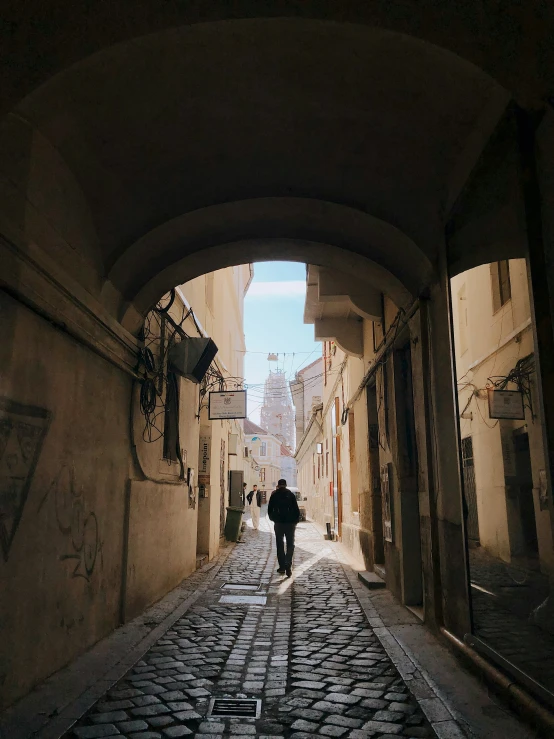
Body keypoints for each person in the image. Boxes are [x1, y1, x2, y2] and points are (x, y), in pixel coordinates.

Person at [267, 479, 300, 577]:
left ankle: (282, 567)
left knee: (280, 544)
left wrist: (274, 519)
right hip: (290, 524)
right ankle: (288, 563)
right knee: (290, 544)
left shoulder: (274, 495)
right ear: (286, 485)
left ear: (278, 485)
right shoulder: (291, 495)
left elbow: (269, 510)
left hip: (279, 524)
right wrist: (295, 521)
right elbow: (296, 510)